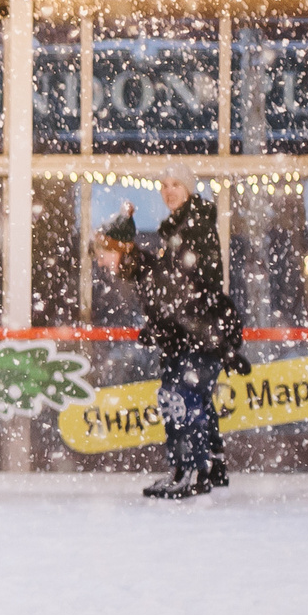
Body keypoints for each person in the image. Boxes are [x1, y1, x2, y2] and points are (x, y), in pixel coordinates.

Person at [94, 169, 248, 500]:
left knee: (181, 398)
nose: (168, 190)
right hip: (193, 331)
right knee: (187, 398)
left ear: (189, 189)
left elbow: (187, 287)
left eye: (175, 184)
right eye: (164, 185)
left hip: (198, 332)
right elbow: (172, 285)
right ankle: (201, 467)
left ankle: (192, 469)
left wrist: (196, 331)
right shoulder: (178, 229)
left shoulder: (192, 227)